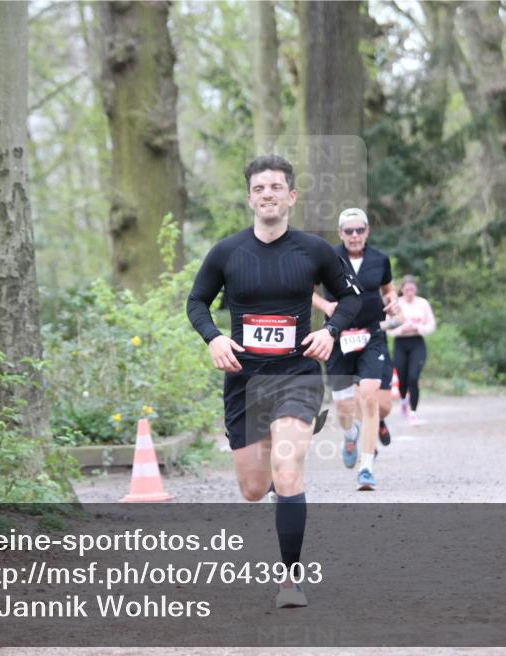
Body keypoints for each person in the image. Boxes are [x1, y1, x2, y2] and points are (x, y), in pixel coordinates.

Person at [186, 155, 361, 608]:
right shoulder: (227, 252)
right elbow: (197, 303)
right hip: (244, 381)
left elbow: (351, 299)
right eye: (260, 188)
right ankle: (279, 485)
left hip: (296, 377)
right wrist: (213, 339)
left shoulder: (314, 251)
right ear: (250, 198)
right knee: (252, 488)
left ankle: (289, 580)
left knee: (288, 472)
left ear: (291, 196)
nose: (268, 194)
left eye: (276, 187)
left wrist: (330, 331)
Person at [312, 208, 399, 491]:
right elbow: (306, 288)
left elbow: (388, 288)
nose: (354, 236)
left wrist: (392, 301)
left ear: (367, 232)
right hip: (337, 337)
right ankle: (351, 435)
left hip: (371, 334)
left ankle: (366, 467)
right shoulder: (328, 258)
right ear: (340, 233)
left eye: (359, 230)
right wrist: (325, 306)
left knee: (371, 397)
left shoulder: (379, 259)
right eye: (348, 231)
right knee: (344, 407)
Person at [388, 276, 436, 425]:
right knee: (402, 379)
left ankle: (413, 413)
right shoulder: (396, 305)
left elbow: (431, 324)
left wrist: (418, 328)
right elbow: (388, 327)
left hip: (417, 343)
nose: (409, 292)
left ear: (416, 289)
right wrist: (402, 329)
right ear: (402, 290)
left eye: (412, 289)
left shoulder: (423, 304)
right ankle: (403, 400)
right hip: (400, 344)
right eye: (406, 289)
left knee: (413, 378)